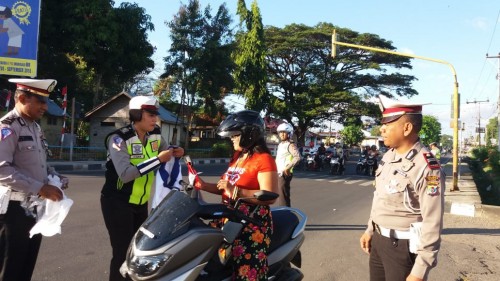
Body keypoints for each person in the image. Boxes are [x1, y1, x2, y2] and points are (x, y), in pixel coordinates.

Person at [359, 95, 445, 281]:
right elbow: (379, 198)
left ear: (406, 128)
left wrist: (420, 271)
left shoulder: (427, 167)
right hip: (379, 242)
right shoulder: (388, 156)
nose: (382, 129)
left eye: (388, 124)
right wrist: (370, 230)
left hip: (403, 248)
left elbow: (433, 220)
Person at [100, 95, 184, 281]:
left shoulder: (155, 135)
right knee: (122, 252)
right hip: (117, 202)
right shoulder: (118, 139)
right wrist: (158, 160)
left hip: (140, 202)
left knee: (139, 252)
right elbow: (126, 174)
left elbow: (166, 148)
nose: (155, 119)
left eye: (156, 115)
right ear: (137, 115)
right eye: (150, 114)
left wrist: (177, 150)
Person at [198, 110, 279, 281]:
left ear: (249, 135)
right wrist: (202, 185)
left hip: (251, 223)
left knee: (245, 274)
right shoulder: (237, 157)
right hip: (228, 218)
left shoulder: (264, 159)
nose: (231, 138)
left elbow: (270, 196)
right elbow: (224, 187)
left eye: (235, 135)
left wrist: (236, 191)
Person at [0, 78, 67, 281]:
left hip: (34, 208)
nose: (45, 107)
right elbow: (2, 170)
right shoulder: (8, 127)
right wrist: (40, 187)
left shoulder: (35, 128)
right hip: (13, 210)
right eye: (40, 101)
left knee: (26, 266)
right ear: (21, 98)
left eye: (45, 102)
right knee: (10, 268)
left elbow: (38, 164)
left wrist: (54, 178)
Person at [275, 122, 301, 207]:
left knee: (283, 196)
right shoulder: (280, 145)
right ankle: (284, 211)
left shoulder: (290, 144)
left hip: (285, 173)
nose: (282, 134)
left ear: (289, 134)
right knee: (281, 195)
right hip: (279, 173)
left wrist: (287, 168)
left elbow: (297, 157)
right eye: (280, 132)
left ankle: (285, 214)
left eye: (284, 132)